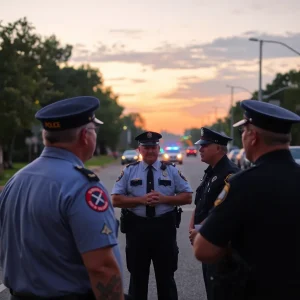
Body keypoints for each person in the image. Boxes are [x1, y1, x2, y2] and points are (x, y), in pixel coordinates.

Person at [0, 96, 125, 300]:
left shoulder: (16, 180)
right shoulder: (82, 187)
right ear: (85, 136)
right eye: (94, 130)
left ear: (45, 136)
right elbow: (101, 267)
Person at [193, 99, 300, 300]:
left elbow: (203, 249)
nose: (242, 137)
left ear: (253, 137)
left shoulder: (242, 185)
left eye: (243, 131)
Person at [111, 131, 193, 300]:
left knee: (166, 278)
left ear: (158, 149)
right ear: (139, 150)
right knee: (137, 279)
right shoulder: (129, 171)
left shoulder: (170, 170)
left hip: (164, 229)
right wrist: (141, 200)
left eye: (153, 147)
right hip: (137, 230)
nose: (150, 151)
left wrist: (165, 199)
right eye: (146, 148)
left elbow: (187, 196)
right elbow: (115, 199)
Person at [188, 127, 240, 300]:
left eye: (205, 145)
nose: (200, 149)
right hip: (207, 241)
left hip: (221, 247)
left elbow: (227, 213)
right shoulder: (211, 172)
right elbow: (201, 202)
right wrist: (192, 225)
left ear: (218, 148)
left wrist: (201, 231)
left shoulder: (229, 174)